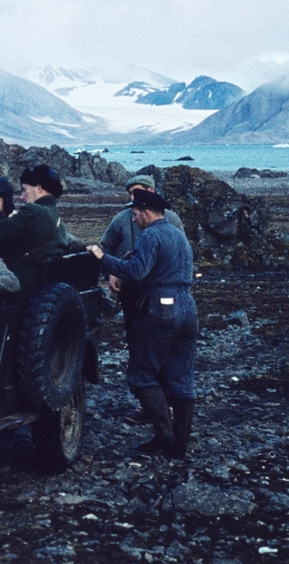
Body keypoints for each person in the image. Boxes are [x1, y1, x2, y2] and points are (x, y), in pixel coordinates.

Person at [87, 188, 197, 459]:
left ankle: (165, 435)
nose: (133, 220)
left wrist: (103, 259)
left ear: (147, 213)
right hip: (188, 307)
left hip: (160, 308)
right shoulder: (178, 235)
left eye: (136, 214)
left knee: (141, 374)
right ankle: (179, 445)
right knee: (181, 378)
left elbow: (137, 273)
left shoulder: (152, 235)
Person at [100, 175, 186, 426]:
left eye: (136, 194)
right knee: (138, 346)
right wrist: (112, 272)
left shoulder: (170, 221)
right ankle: (147, 404)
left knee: (163, 348)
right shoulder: (122, 219)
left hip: (161, 295)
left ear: (151, 192)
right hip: (131, 293)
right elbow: (106, 246)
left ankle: (166, 405)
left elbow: (180, 254)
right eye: (129, 194)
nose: (132, 200)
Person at [0, 164, 84, 296]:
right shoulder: (52, 212)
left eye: (25, 190)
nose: (21, 197)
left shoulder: (34, 211)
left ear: (38, 188)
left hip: (23, 288)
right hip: (41, 286)